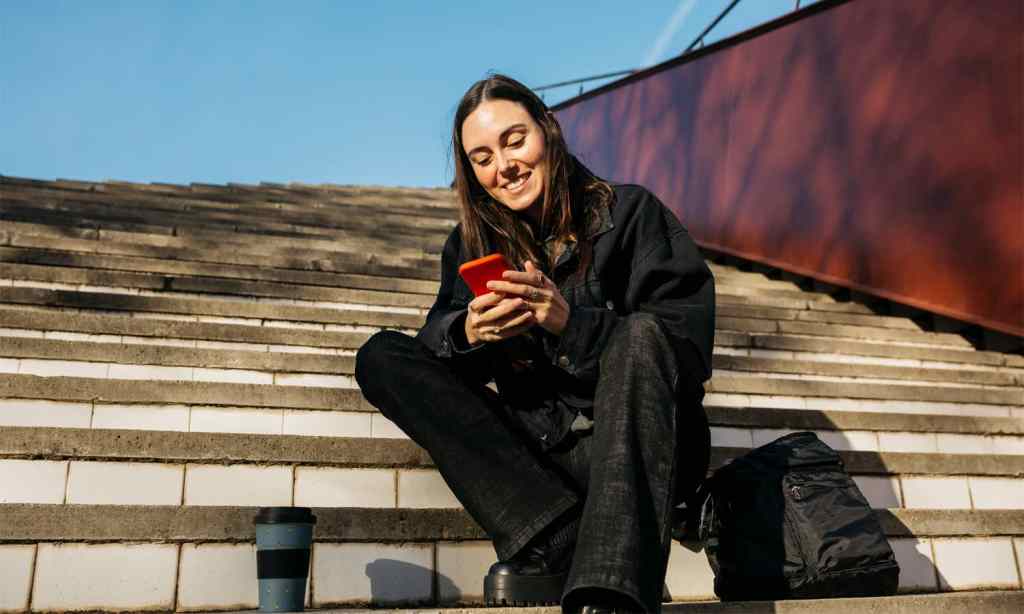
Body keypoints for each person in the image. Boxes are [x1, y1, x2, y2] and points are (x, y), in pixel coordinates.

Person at [355, 73, 715, 614]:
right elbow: (435, 355)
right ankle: (558, 533)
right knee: (381, 356)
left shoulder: (633, 214)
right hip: (543, 457)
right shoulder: (469, 246)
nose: (503, 166)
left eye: (514, 140)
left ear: (548, 130)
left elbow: (686, 350)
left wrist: (569, 323)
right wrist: (469, 332)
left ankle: (608, 586)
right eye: (481, 158)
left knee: (644, 331)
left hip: (643, 443)